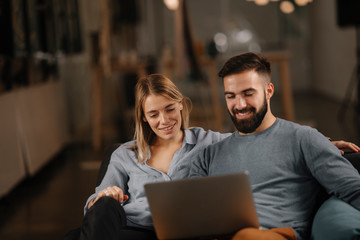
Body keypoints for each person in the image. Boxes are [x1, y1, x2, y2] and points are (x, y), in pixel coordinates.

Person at [76, 73, 358, 240]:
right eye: (153, 114)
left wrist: (324, 143)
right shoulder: (124, 155)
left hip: (184, 233)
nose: (164, 120)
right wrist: (108, 194)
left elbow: (261, 137)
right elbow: (95, 207)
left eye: (170, 109)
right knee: (102, 211)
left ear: (181, 106)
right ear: (143, 118)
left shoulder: (209, 141)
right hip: (133, 230)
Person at [189, 52, 360, 240]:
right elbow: (190, 213)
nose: (240, 104)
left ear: (269, 91)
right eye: (231, 96)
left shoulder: (304, 138)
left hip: (273, 234)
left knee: (246, 236)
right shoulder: (208, 155)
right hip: (220, 235)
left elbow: (353, 188)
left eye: (248, 93)